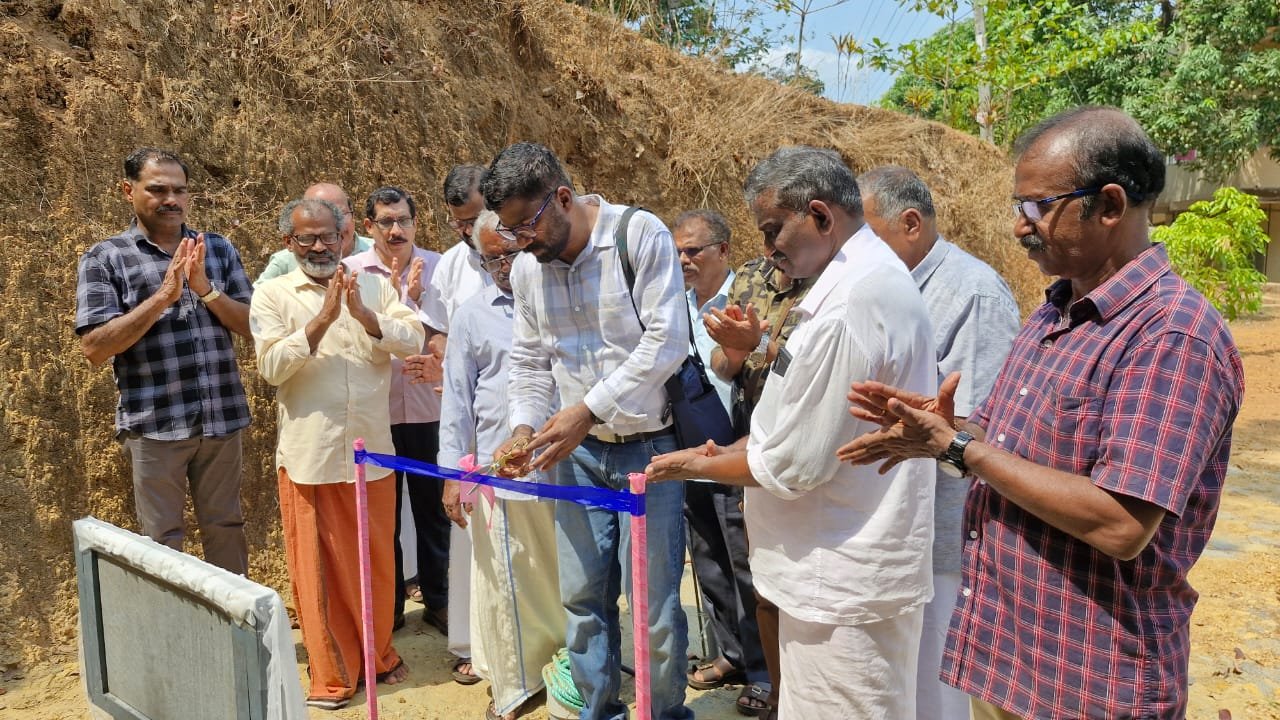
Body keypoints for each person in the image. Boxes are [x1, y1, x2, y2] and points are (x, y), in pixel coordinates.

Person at [838, 107, 1245, 719]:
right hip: (1014, 665)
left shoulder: (1171, 336)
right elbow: (1010, 453)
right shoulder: (1054, 315)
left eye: (1035, 207)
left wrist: (957, 448)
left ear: (1109, 206)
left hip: (1093, 682)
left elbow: (1120, 525)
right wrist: (950, 431)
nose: (1018, 228)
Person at [646, 146, 937, 719]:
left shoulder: (851, 302)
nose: (769, 248)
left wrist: (692, 465)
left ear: (822, 216)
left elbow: (796, 465)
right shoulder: (843, 285)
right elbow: (801, 411)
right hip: (825, 573)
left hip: (840, 584)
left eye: (775, 229)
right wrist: (732, 447)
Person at [484, 141, 692, 720]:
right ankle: (599, 711)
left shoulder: (638, 235)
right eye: (509, 233)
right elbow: (528, 361)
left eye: (526, 226)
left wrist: (587, 410)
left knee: (652, 607)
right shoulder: (529, 267)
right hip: (575, 456)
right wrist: (524, 426)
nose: (520, 244)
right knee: (581, 598)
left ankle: (663, 714)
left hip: (649, 453)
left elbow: (666, 341)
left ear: (565, 198)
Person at [858, 164, 1021, 720]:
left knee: (939, 688)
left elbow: (981, 427)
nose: (857, 250)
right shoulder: (886, 287)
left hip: (946, 528)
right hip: (896, 520)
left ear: (910, 224)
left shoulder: (973, 292)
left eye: (868, 233)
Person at [250, 197, 422, 709]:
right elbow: (272, 368)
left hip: (373, 454)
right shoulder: (272, 295)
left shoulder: (373, 285)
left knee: (375, 565)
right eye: (308, 238)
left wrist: (367, 317)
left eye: (330, 236)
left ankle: (377, 656)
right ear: (289, 243)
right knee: (321, 570)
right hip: (313, 457)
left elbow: (411, 339)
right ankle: (332, 674)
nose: (321, 246)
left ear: (346, 237)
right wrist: (322, 320)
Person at [76, 147, 252, 575]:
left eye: (179, 190)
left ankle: (235, 639)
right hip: (154, 425)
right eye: (157, 189)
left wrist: (205, 289)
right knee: (162, 539)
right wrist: (163, 297)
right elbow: (95, 347)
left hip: (221, 417)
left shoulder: (218, 250)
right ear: (128, 190)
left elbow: (252, 326)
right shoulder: (106, 258)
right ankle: (175, 640)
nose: (170, 199)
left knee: (226, 526)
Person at [437, 211, 563, 720]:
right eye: (491, 259)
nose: (503, 266)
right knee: (504, 584)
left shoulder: (558, 298)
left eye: (509, 253)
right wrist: (452, 475)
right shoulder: (471, 315)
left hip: (565, 469)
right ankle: (511, 687)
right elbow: (457, 403)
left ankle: (564, 674)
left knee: (561, 581)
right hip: (496, 474)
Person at [703, 250, 815, 720]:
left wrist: (764, 347)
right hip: (751, 435)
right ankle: (770, 683)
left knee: (803, 573)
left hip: (808, 438)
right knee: (756, 569)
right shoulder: (751, 276)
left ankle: (795, 688)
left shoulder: (837, 279)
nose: (773, 246)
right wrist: (736, 350)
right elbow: (722, 364)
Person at [343, 187, 456, 644]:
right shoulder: (350, 273)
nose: (396, 230)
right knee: (381, 518)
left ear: (416, 222)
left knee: (434, 513)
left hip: (430, 407)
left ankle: (440, 602)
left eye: (404, 220)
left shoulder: (441, 267)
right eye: (386, 221)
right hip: (377, 412)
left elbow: (450, 331)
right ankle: (386, 611)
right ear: (368, 226)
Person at [672, 210, 770, 715]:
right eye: (679, 252)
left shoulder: (752, 298)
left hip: (739, 445)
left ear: (724, 251)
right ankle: (731, 654)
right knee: (708, 555)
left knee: (745, 561)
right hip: (692, 445)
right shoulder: (672, 303)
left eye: (695, 251)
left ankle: (764, 672)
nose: (684, 261)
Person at [255, 182, 373, 286]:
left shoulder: (378, 252)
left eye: (340, 213)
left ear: (353, 215)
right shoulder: (284, 262)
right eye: (320, 214)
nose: (333, 223)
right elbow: (256, 303)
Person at [433, 164, 495, 328]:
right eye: (459, 223)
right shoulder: (449, 264)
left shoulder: (527, 255)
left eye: (475, 221)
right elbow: (436, 328)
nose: (467, 231)